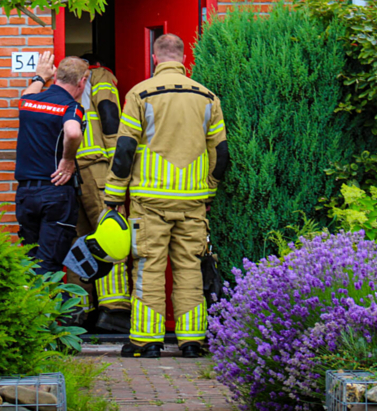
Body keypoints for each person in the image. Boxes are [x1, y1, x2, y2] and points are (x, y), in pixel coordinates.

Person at [103, 34, 230, 358]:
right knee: (190, 267)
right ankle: (191, 342)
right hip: (193, 201)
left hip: (150, 200)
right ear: (184, 58)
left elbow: (125, 149)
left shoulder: (140, 94)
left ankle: (147, 342)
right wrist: (209, 191)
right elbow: (222, 153)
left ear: (155, 58)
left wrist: (113, 196)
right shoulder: (207, 97)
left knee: (148, 267)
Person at [14, 52, 89, 276]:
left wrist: (39, 76)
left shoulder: (29, 102)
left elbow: (27, 94)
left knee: (30, 259)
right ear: (82, 82)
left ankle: (29, 307)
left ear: (55, 76)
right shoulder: (70, 107)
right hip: (55, 193)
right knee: (49, 265)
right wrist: (67, 161)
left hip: (26, 194)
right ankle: (49, 310)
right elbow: (73, 132)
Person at [71, 53, 131, 331]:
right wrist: (118, 169)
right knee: (110, 237)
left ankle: (78, 310)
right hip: (97, 168)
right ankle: (113, 310)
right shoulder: (102, 76)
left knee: (79, 240)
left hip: (70, 170)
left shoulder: (59, 83)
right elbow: (110, 118)